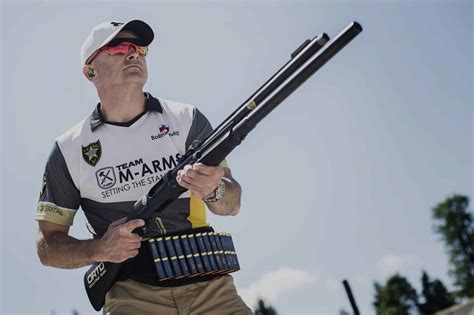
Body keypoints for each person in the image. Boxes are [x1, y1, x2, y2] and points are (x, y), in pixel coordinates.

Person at [36, 19, 252, 314]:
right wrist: (98, 249)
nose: (133, 53)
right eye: (119, 47)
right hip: (132, 296)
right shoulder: (69, 148)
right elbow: (47, 246)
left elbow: (232, 203)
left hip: (211, 288)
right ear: (90, 71)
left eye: (139, 48)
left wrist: (214, 189)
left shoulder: (186, 118)